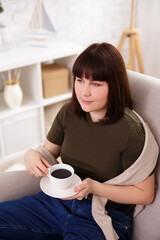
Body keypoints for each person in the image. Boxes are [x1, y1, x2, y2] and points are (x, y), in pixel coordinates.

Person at [0, 43, 158, 240]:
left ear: (114, 85)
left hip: (104, 215)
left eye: (95, 84)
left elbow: (145, 194)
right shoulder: (68, 113)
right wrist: (32, 154)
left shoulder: (130, 131)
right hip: (57, 203)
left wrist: (95, 187)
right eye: (80, 80)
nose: (84, 92)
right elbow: (47, 152)